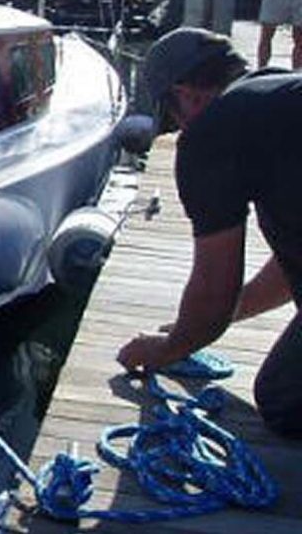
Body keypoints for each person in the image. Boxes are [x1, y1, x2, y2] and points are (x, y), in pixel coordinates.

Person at [117, 27, 302, 438]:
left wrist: (165, 350)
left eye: (174, 116)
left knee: (283, 398)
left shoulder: (213, 134)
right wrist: (221, 317)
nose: (181, 129)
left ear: (187, 94)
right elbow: (291, 264)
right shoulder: (277, 96)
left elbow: (214, 294)